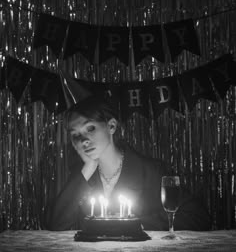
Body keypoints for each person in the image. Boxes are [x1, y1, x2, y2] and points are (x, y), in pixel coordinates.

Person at [44, 95, 211, 231]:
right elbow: (57, 226)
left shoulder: (151, 171)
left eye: (90, 128)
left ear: (111, 126)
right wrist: (88, 167)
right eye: (75, 135)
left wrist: (138, 225)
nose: (83, 141)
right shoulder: (81, 176)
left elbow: (197, 217)